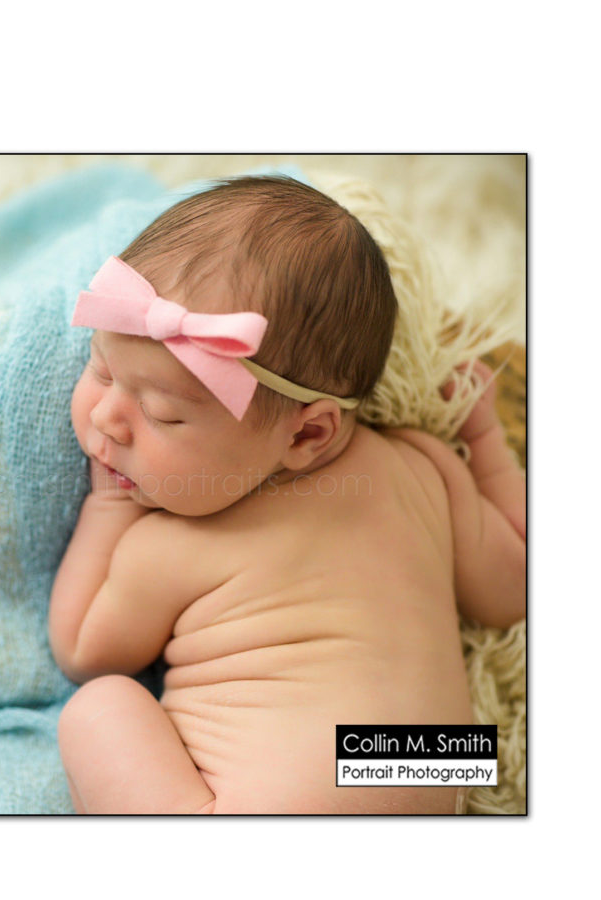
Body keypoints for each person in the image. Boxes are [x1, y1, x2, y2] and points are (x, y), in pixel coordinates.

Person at [47, 176, 525, 814]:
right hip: (436, 770)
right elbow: (514, 587)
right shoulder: (424, 467)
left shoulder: (172, 543)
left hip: (276, 805)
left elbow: (81, 650)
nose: (107, 418)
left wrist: (107, 503)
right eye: (102, 368)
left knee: (99, 707)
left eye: (162, 413)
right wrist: (483, 439)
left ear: (307, 433)